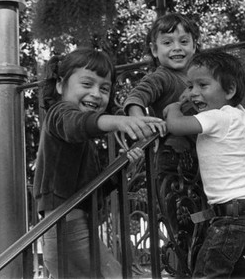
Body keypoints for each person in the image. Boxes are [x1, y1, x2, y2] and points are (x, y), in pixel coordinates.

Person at [33, 47, 166, 279]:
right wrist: (119, 121)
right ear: (60, 85)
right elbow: (76, 124)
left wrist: (122, 169)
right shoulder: (59, 114)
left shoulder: (82, 141)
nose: (96, 94)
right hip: (65, 228)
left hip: (75, 225)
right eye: (87, 84)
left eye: (104, 88)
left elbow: (92, 192)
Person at [164, 50, 245, 278]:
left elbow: (177, 126)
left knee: (208, 272)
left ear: (230, 91)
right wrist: (192, 97)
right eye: (190, 87)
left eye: (203, 85)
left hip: (231, 218)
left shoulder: (217, 117)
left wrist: (174, 108)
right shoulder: (236, 113)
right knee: (236, 270)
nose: (194, 93)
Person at [123, 12, 204, 274]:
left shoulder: (197, 80)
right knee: (184, 227)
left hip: (197, 162)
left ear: (195, 45)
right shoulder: (162, 76)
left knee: (203, 222)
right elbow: (137, 96)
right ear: (154, 50)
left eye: (184, 41)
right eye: (168, 42)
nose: (177, 48)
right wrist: (140, 121)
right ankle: (184, 269)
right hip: (174, 164)